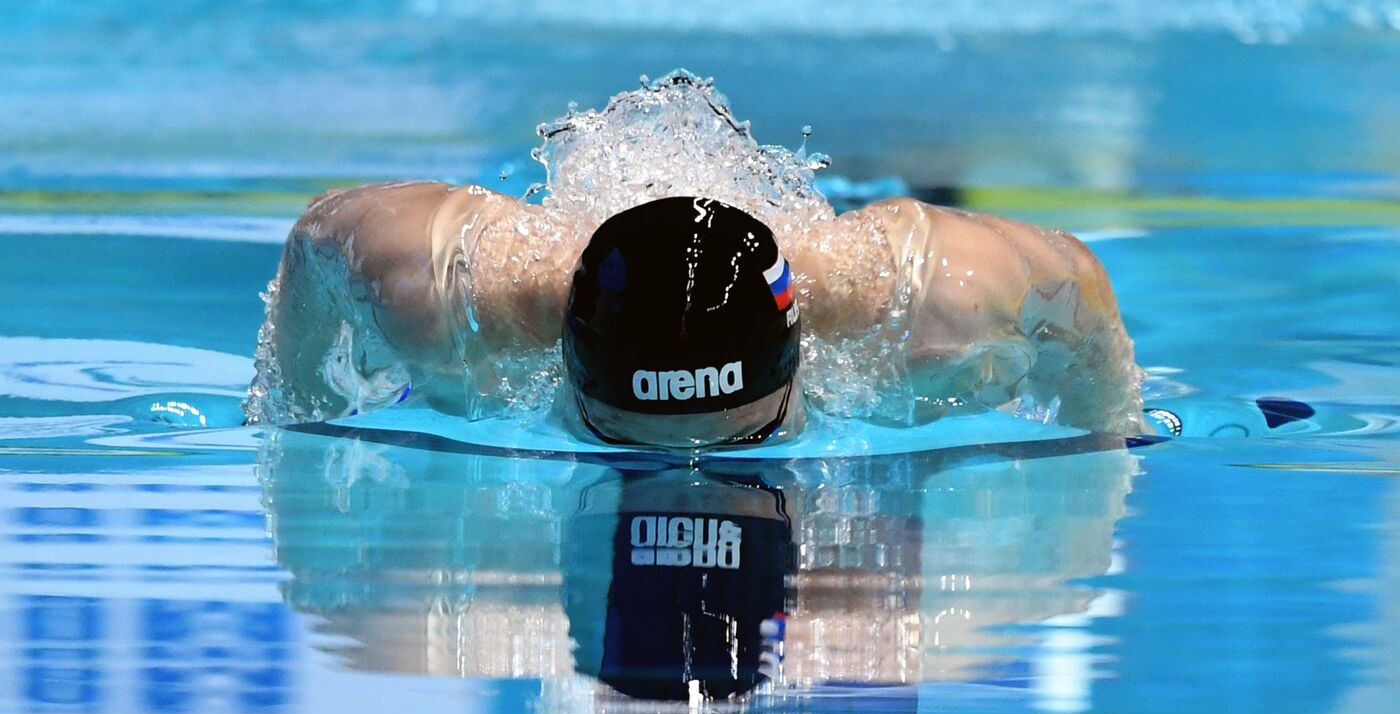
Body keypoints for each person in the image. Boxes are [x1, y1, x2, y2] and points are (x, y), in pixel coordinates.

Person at [245, 182, 1148, 445]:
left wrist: (1112, 431)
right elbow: (313, 244)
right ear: (562, 358)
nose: (687, 470)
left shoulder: (933, 300)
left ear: (804, 366)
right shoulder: (434, 292)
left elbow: (1084, 295)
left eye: (748, 435)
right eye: (615, 435)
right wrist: (290, 420)